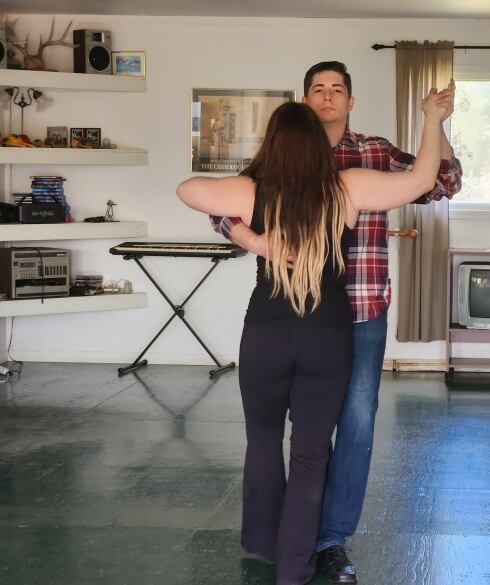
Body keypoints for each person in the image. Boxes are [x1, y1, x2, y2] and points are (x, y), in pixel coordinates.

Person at [177, 95, 447, 585]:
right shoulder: (346, 188)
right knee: (310, 451)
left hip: (266, 334)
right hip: (328, 334)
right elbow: (423, 181)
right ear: (316, 147)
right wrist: (431, 119)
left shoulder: (252, 192)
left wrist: (255, 240)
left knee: (262, 440)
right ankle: (295, 566)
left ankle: (261, 541)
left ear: (273, 144)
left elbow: (187, 189)